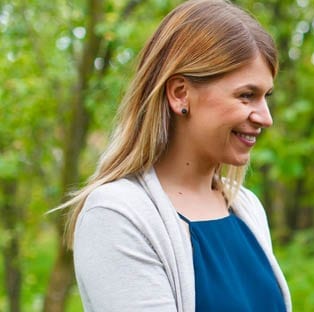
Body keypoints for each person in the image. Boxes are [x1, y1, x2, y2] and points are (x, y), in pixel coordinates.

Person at [56, 0, 291, 310]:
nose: (265, 116)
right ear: (180, 93)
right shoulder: (117, 215)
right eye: (247, 96)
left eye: (265, 97)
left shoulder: (246, 208)